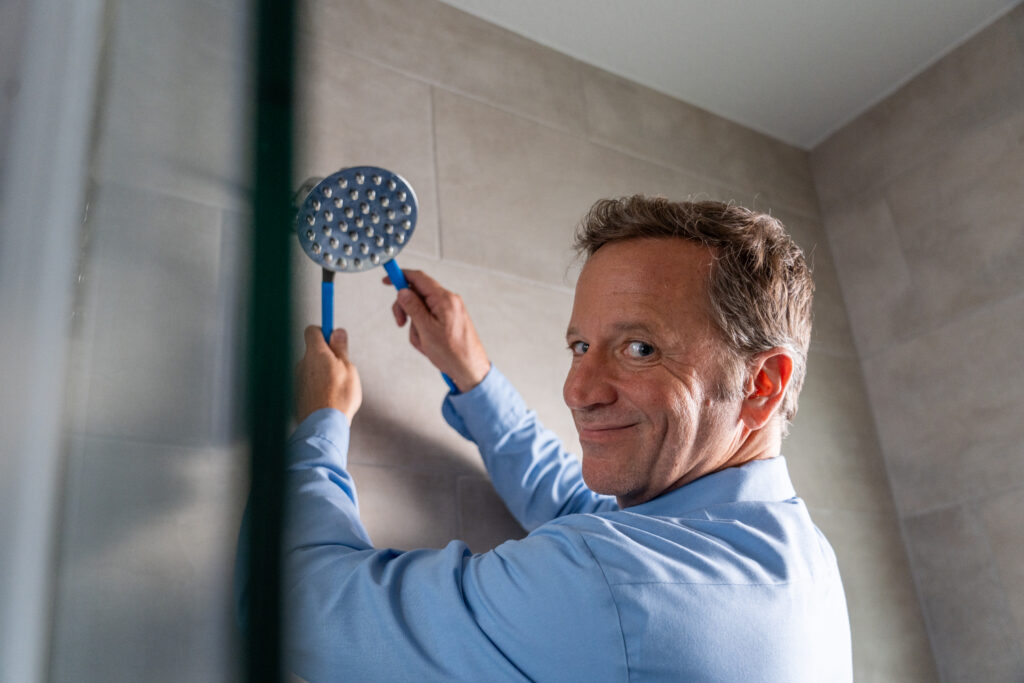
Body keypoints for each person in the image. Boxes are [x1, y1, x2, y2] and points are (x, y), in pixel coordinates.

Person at [273, 196, 852, 681]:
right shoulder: (803, 559)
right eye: (580, 346)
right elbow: (578, 506)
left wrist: (321, 422)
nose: (578, 390)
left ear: (762, 384)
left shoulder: (607, 582)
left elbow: (294, 603)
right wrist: (473, 378)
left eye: (640, 349)